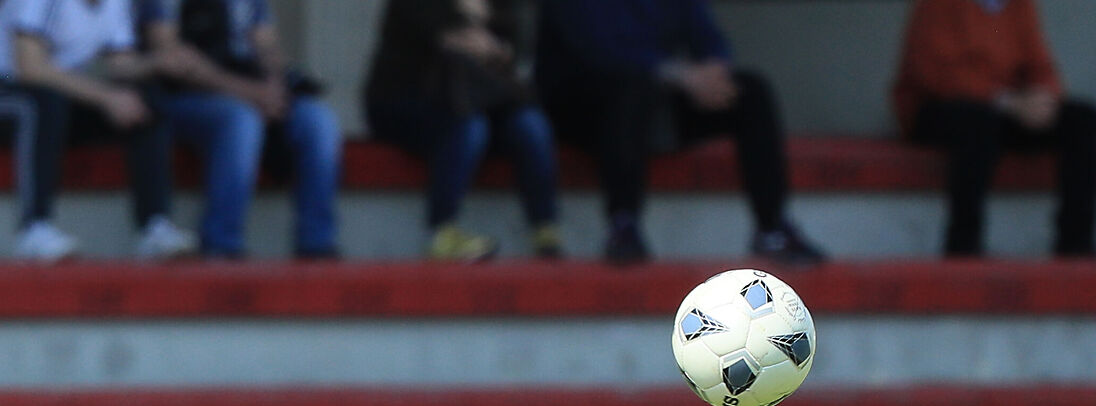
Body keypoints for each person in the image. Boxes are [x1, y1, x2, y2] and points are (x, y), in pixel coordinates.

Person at [535, 0, 827, 267]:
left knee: (751, 91)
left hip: (658, 98)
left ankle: (771, 228)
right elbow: (600, 52)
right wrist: (681, 75)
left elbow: (708, 37)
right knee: (630, 88)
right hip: (583, 107)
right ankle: (623, 225)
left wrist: (713, 71)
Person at [0, 0, 196, 262]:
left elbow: (121, 64)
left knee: (143, 104)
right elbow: (29, 67)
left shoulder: (115, 4)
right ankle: (34, 230)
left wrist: (158, 63)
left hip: (49, 99)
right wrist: (106, 97)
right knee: (41, 104)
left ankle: (155, 228)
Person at [139, 0, 342, 260]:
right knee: (241, 120)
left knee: (318, 120)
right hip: (181, 97)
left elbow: (266, 45)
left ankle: (317, 244)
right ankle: (221, 243)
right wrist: (249, 93)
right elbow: (171, 55)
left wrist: (275, 88)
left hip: (249, 92)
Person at [364, 0, 561, 261]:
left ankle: (545, 228)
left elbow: (514, 42)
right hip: (410, 102)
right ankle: (441, 231)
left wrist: (491, 42)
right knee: (468, 127)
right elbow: (436, 31)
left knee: (530, 125)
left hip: (482, 100)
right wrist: (470, 24)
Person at [894, 0, 1093, 259]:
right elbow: (935, 74)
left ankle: (1075, 245)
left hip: (1005, 109)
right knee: (977, 122)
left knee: (1081, 119)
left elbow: (1041, 65)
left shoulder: (1019, 5)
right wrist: (1004, 101)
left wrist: (1043, 99)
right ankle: (964, 246)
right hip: (941, 106)